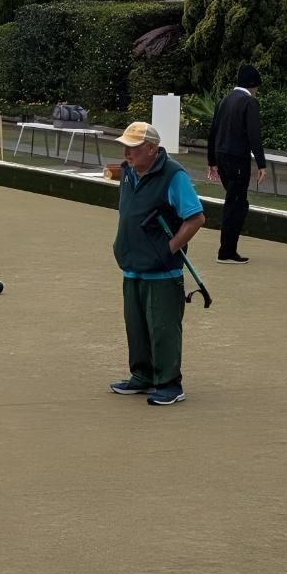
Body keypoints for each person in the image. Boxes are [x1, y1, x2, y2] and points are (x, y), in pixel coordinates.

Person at [110, 121, 206, 407]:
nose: (128, 153)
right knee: (136, 325)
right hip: (131, 263)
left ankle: (169, 383)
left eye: (134, 148)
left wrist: (169, 249)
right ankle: (143, 376)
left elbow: (196, 218)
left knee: (163, 328)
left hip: (163, 269)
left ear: (152, 149)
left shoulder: (173, 175)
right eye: (126, 147)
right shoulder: (128, 172)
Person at [207, 63, 267, 265]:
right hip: (237, 158)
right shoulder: (249, 102)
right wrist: (261, 163)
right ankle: (226, 251)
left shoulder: (224, 100)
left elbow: (213, 131)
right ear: (253, 84)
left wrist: (211, 160)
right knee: (235, 203)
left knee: (236, 201)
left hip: (221, 155)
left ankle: (227, 249)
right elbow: (254, 135)